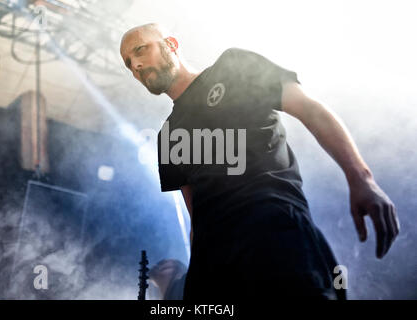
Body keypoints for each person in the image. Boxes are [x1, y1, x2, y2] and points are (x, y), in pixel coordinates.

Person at [119, 23, 400, 300]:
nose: (136, 66)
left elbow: (310, 110)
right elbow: (196, 218)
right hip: (214, 265)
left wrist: (361, 177)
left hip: (274, 232)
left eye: (140, 50)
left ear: (171, 45)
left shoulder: (232, 67)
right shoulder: (167, 136)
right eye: (129, 63)